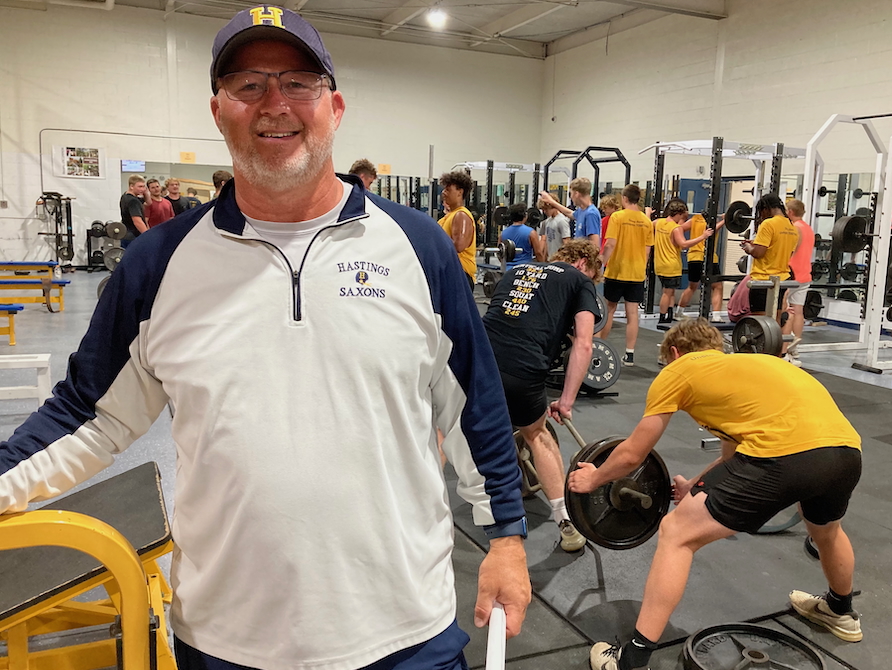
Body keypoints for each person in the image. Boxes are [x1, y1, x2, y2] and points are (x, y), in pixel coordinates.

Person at [0, 8, 531, 670]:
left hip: (403, 634)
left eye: (299, 83)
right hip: (227, 642)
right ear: (219, 111)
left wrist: (506, 536)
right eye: (248, 85)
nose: (274, 104)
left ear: (333, 107)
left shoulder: (416, 247)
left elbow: (472, 406)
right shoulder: (160, 264)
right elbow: (87, 415)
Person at [570, 318, 863, 670]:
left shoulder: (679, 371)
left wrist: (595, 478)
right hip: (846, 453)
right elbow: (732, 457)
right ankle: (841, 612)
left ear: (674, 353)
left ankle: (631, 659)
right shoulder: (751, 368)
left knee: (676, 534)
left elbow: (634, 453)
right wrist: (695, 485)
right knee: (827, 531)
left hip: (781, 457)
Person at [482, 239, 603, 552]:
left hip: (476, 359)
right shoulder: (580, 280)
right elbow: (584, 343)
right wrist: (566, 401)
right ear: (583, 264)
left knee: (447, 429)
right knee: (537, 434)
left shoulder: (517, 269)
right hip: (521, 371)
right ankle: (567, 524)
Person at [598, 184, 653, 366]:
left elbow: (610, 244)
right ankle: (629, 355)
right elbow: (647, 251)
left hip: (617, 270)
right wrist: (641, 269)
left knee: (609, 310)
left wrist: (600, 263)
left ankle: (600, 347)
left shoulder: (617, 217)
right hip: (636, 274)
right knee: (633, 313)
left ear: (624, 198)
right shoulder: (646, 221)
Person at [654, 198, 717, 330]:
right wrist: (703, 236)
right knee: (667, 293)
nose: (684, 219)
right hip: (671, 264)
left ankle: (670, 316)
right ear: (679, 213)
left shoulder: (658, 223)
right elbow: (683, 244)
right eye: (683, 216)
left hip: (659, 264)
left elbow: (647, 224)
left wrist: (648, 213)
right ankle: (662, 319)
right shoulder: (676, 229)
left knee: (670, 292)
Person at [740, 194, 799, 316]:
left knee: (760, 322)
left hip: (763, 280)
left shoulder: (768, 224)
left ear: (766, 209)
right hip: (781, 279)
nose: (761, 216)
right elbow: (781, 249)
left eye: (761, 212)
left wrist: (749, 248)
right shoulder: (791, 227)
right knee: (775, 318)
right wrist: (757, 244)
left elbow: (759, 253)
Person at [783, 199, 815, 365]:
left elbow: (790, 250)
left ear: (789, 212)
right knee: (798, 310)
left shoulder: (795, 228)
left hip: (792, 274)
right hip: (804, 275)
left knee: (786, 311)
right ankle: (795, 348)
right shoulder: (808, 228)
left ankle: (784, 349)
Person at [677, 211, 725, 320]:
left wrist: (682, 219)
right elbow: (714, 229)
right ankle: (716, 317)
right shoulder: (713, 222)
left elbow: (678, 229)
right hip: (709, 258)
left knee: (692, 286)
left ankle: (679, 312)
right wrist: (726, 220)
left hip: (693, 257)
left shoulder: (695, 219)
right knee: (717, 286)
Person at [438, 170, 477, 289]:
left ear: (460, 192)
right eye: (444, 189)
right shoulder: (449, 216)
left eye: (448, 190)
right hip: (448, 272)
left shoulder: (461, 215)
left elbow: (458, 246)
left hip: (460, 274)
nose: (444, 193)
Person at [539, 178, 601, 247]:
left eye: (571, 193)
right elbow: (569, 213)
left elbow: (595, 244)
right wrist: (551, 202)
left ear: (576, 194)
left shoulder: (591, 214)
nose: (571, 197)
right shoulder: (581, 211)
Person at [500, 203, 545, 270]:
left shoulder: (503, 233)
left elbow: (500, 253)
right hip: (525, 270)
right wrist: (543, 267)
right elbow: (538, 253)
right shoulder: (531, 233)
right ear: (525, 216)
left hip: (508, 270)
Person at [118, 174, 148, 246]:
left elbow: (148, 202)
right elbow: (137, 221)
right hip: (133, 237)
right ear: (131, 186)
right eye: (140, 186)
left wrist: (146, 192)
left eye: (144, 186)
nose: (142, 189)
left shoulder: (125, 196)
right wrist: (148, 235)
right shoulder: (133, 201)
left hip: (126, 235)